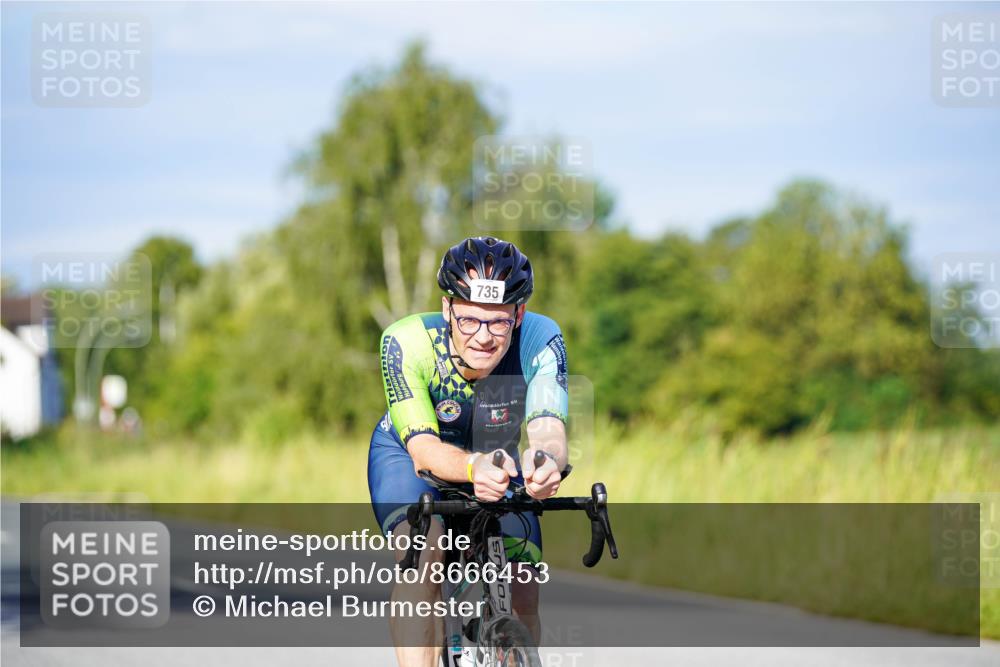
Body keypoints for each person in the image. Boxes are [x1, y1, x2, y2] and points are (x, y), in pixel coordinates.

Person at [368, 236, 569, 667]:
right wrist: (472, 466)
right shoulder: (406, 341)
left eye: (497, 322)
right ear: (447, 309)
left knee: (523, 587)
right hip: (410, 459)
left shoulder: (540, 337)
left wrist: (546, 461)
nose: (482, 337)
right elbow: (422, 450)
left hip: (495, 457)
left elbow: (548, 427)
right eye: (469, 320)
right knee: (427, 554)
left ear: (519, 315)